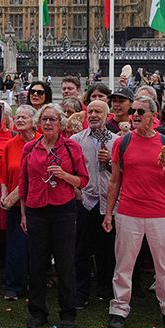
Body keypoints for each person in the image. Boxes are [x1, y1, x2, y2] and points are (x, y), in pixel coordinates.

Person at [103, 95, 165, 328]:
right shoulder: (122, 142)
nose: (135, 115)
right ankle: (119, 309)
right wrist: (109, 213)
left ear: (153, 116)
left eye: (140, 111)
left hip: (160, 212)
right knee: (124, 264)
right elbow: (114, 181)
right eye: (133, 111)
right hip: (129, 212)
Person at [12, 104, 87, 328]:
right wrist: (24, 212)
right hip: (36, 210)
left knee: (65, 262)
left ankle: (68, 312)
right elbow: (23, 183)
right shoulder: (30, 148)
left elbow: (83, 180)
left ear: (60, 123)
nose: (47, 123)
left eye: (52, 119)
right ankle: (38, 312)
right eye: (44, 119)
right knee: (37, 263)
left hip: (63, 209)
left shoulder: (71, 147)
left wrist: (64, 175)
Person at [70, 98, 115, 309]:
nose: (95, 115)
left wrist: (110, 163)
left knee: (108, 249)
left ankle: (106, 288)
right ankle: (81, 290)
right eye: (92, 111)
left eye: (99, 112)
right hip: (86, 200)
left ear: (107, 116)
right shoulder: (77, 140)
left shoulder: (116, 141)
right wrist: (77, 192)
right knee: (81, 249)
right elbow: (70, 169)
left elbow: (123, 173)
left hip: (109, 202)